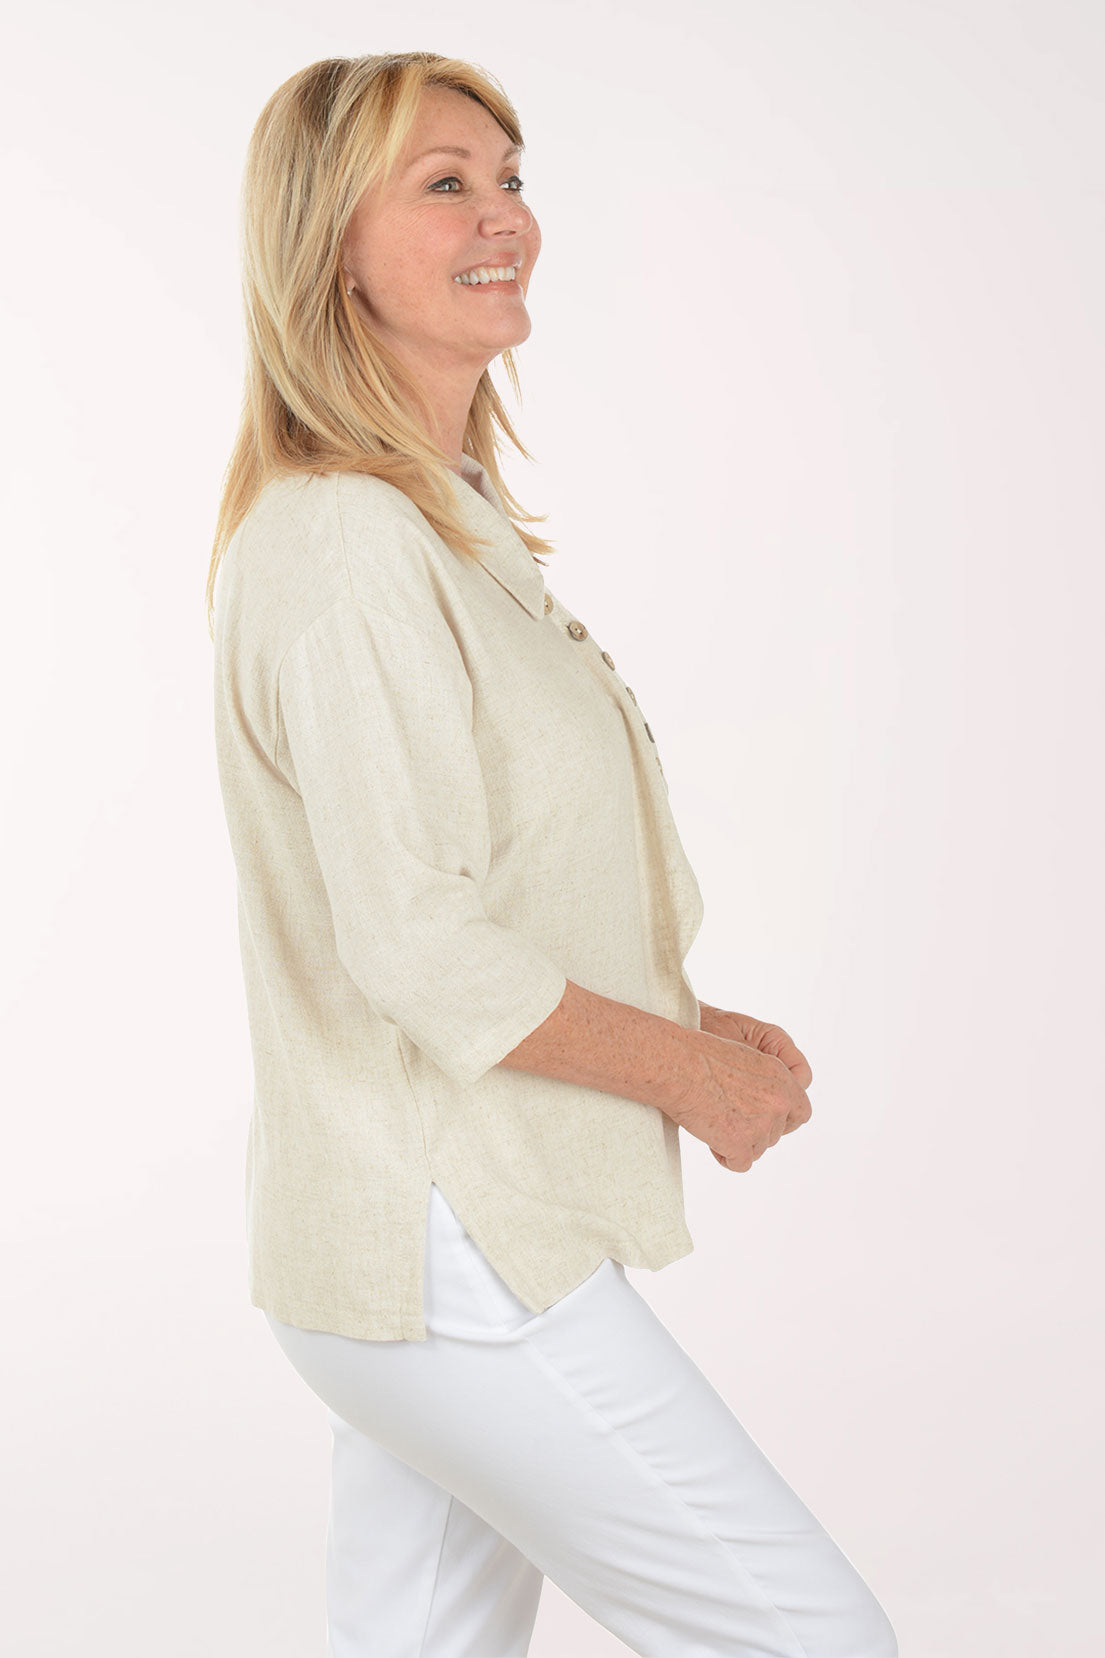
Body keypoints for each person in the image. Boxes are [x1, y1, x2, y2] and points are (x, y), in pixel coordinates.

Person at [209, 49, 899, 1658]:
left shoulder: (440, 517)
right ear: (328, 243)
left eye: (509, 177)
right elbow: (419, 944)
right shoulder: (341, 541)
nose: (501, 214)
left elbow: (479, 876)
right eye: (441, 182)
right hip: (443, 1246)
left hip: (411, 1241)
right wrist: (683, 1074)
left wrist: (681, 1007)